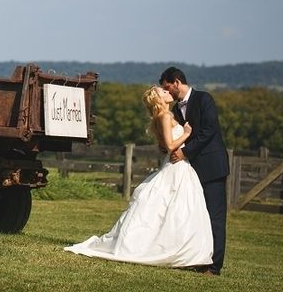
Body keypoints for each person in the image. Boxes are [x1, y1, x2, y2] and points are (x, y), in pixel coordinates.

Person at [64, 85, 213, 268]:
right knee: (173, 208)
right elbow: (170, 145)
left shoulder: (166, 116)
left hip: (180, 166)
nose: (168, 92)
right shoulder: (165, 117)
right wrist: (188, 133)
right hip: (176, 165)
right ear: (158, 99)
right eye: (163, 92)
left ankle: (181, 249)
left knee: (179, 208)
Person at [160, 65, 229, 276]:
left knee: (214, 217)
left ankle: (214, 265)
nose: (167, 92)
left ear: (177, 82)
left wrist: (185, 152)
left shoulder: (204, 99)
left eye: (167, 87)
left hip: (212, 166)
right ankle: (196, 258)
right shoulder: (173, 110)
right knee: (195, 216)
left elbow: (208, 130)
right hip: (190, 172)